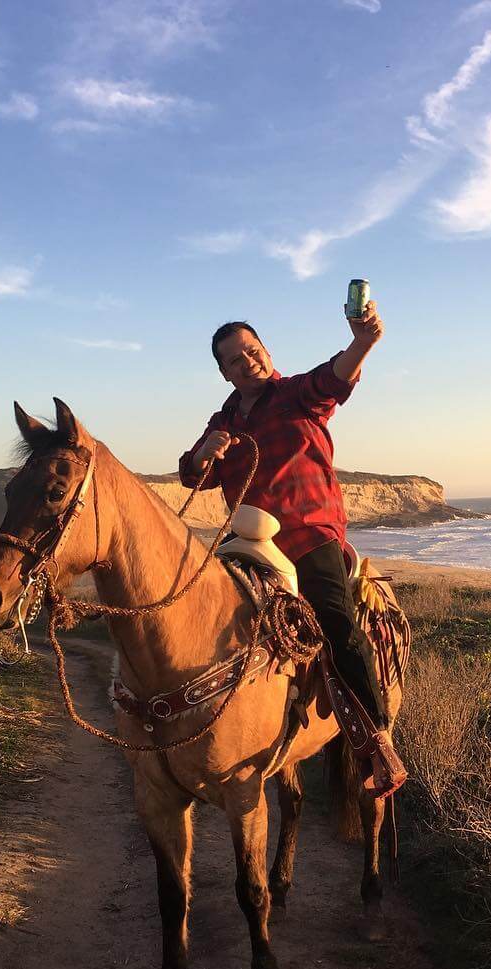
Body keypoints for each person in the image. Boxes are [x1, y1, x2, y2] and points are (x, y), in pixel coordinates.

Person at [178, 299, 393, 742]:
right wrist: (203, 454)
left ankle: (377, 736)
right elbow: (192, 476)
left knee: (336, 621)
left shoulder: (296, 395)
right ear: (224, 373)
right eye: (234, 360)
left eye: (252, 350)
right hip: (245, 541)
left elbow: (333, 376)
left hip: (309, 533)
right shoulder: (224, 420)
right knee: (197, 609)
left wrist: (364, 341)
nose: (247, 362)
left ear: (266, 351)